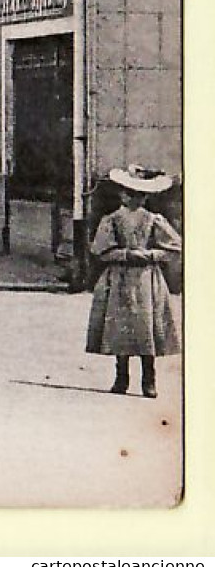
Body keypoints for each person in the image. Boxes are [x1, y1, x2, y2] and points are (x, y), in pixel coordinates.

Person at [88, 165, 181, 397]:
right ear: (122, 194)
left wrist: (151, 255)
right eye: (130, 193)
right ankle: (121, 378)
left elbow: (174, 247)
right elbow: (100, 250)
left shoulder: (154, 220)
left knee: (146, 326)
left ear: (147, 196)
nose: (135, 198)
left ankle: (149, 380)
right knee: (121, 326)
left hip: (146, 280)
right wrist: (126, 254)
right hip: (119, 278)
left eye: (141, 194)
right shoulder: (111, 220)